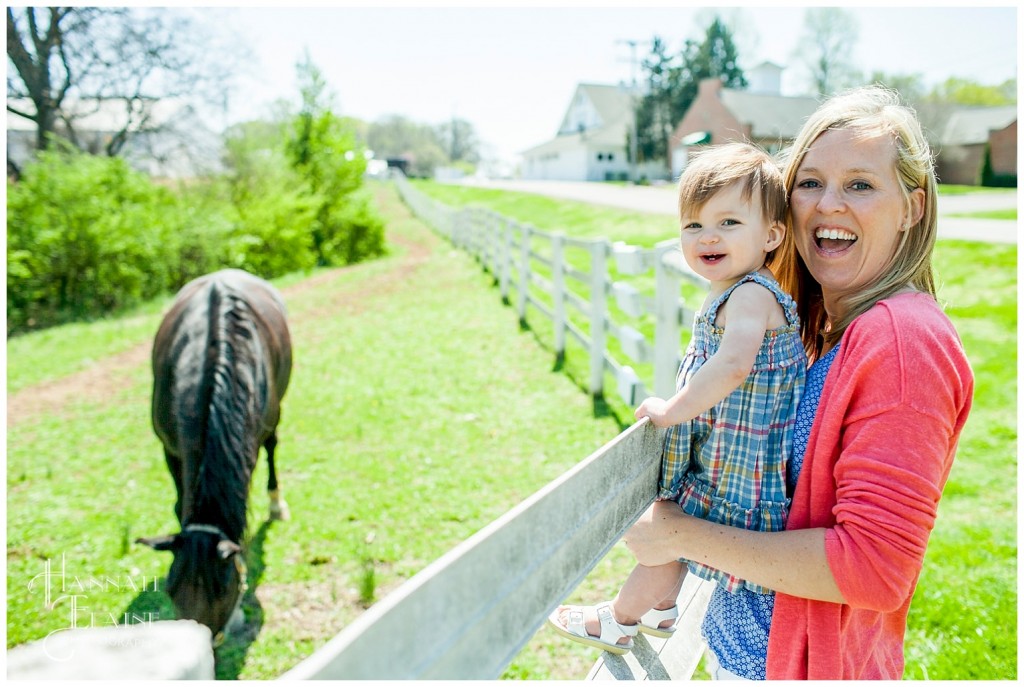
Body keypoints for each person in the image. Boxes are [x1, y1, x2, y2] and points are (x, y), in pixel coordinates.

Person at [622, 85, 974, 680]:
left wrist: (677, 535)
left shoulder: (902, 341)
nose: (828, 204)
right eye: (809, 182)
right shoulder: (827, 325)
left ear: (912, 208)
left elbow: (873, 569)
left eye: (860, 184)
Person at [547, 142, 807, 655]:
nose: (708, 236)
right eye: (693, 225)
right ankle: (662, 612)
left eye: (729, 222)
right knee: (673, 538)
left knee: (669, 536)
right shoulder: (738, 290)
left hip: (737, 465)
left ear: (772, 235)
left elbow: (733, 366)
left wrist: (671, 410)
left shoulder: (751, 295)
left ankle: (620, 619)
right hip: (726, 452)